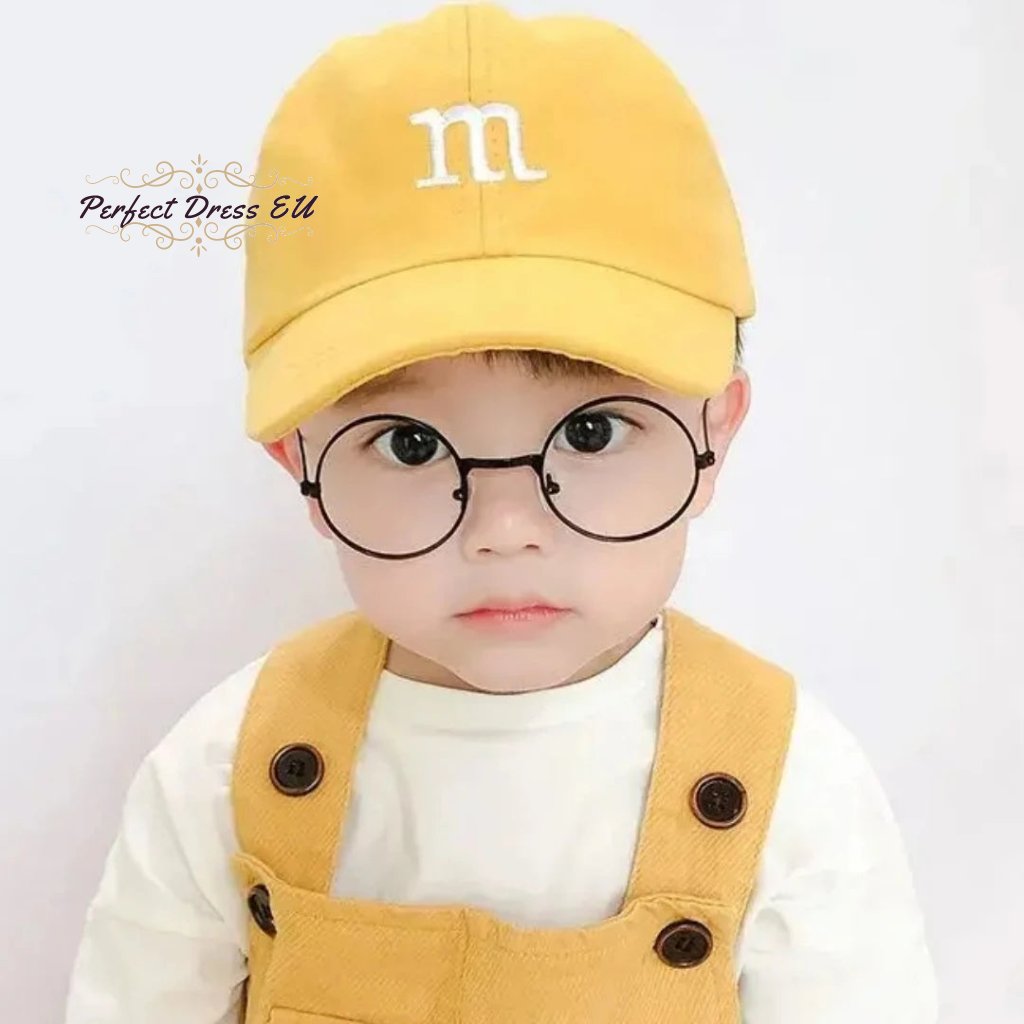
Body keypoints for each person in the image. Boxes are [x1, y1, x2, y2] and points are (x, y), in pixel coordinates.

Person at [65, 3, 938, 1022]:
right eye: (410, 444)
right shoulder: (225, 772)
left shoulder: (792, 782)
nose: (505, 527)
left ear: (717, 433)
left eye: (593, 432)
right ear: (297, 461)